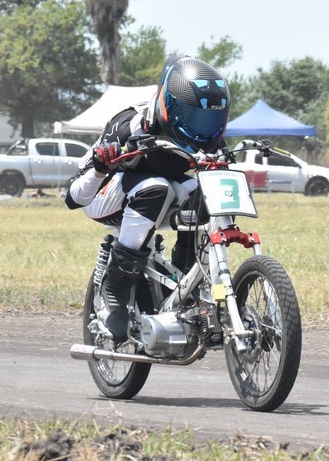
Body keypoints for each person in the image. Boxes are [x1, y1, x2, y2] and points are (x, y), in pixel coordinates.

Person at [64, 55, 231, 344]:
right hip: (103, 192)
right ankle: (116, 287)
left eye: (210, 118)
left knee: (206, 191)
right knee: (157, 187)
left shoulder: (208, 137)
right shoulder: (129, 125)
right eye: (193, 116)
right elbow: (73, 197)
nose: (202, 127)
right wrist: (101, 167)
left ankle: (185, 279)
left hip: (154, 190)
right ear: (169, 105)